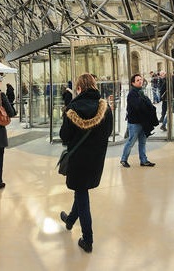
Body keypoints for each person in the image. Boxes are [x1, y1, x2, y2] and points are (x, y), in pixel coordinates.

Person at [59, 73, 113, 253]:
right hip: (96, 158)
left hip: (78, 159)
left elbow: (64, 136)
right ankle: (70, 220)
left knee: (82, 195)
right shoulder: (105, 107)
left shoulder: (72, 108)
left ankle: (87, 239)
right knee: (81, 190)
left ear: (79, 88)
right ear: (94, 86)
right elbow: (108, 132)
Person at [120, 73, 159, 168]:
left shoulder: (141, 92)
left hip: (143, 122)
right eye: (138, 80)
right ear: (133, 83)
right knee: (131, 142)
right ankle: (123, 159)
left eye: (141, 79)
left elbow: (148, 105)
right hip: (135, 123)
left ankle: (144, 160)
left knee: (142, 142)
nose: (140, 81)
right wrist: (146, 103)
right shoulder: (132, 94)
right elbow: (138, 106)